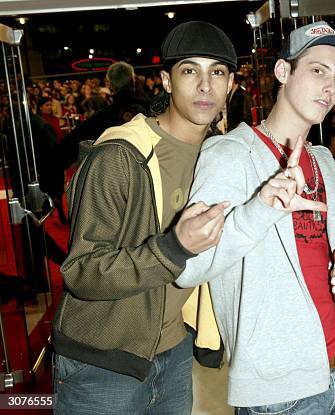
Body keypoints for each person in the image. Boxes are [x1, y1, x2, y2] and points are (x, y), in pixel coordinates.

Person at [176, 21, 335, 414]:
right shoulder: (231, 155)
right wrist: (259, 211)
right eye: (317, 71)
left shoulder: (324, 163)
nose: (329, 89)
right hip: (281, 389)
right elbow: (188, 267)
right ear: (283, 72)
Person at [52, 21, 237, 414]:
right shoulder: (121, 157)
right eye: (190, 71)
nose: (205, 85)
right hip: (102, 362)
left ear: (231, 85)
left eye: (217, 72)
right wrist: (173, 247)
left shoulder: (221, 158)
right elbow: (82, 271)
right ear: (167, 82)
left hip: (174, 350)